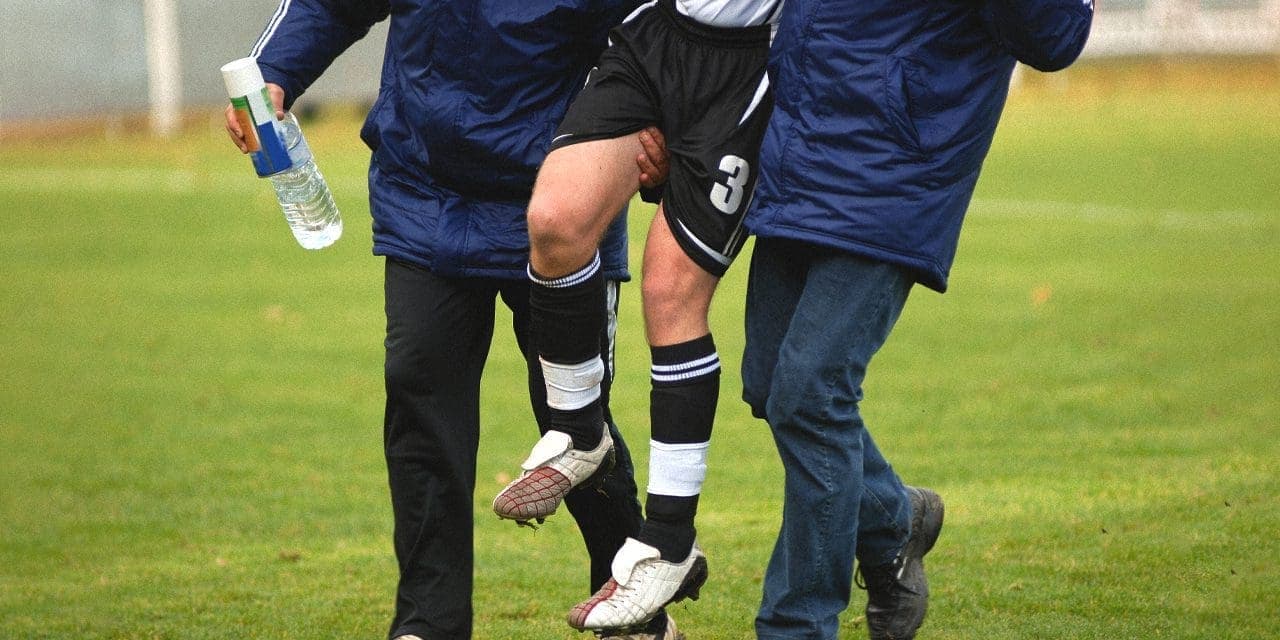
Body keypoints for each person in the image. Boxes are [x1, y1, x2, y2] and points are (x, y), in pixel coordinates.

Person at [223, 2, 677, 639]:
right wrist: (274, 71)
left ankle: (632, 608)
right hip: (426, 192)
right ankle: (427, 624)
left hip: (561, 200)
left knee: (572, 421)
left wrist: (661, 136)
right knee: (420, 395)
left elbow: (657, 36)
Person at [739, 1, 1095, 639]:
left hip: (895, 172)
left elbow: (1054, 35)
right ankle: (892, 520)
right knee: (770, 384)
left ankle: (796, 626)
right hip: (802, 155)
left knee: (810, 393)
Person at [488, 0, 782, 633]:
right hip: (656, 33)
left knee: (670, 294)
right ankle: (580, 430)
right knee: (555, 222)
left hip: (749, 68)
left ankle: (669, 540)